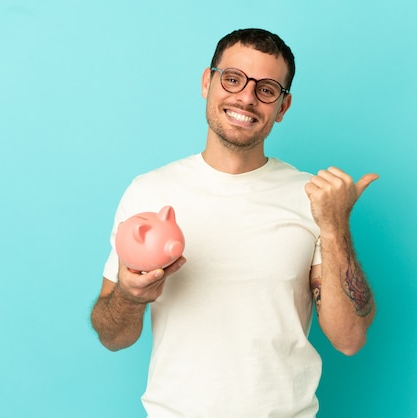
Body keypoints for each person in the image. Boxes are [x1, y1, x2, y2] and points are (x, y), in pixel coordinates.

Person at [91, 28, 377, 418]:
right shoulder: (148, 191)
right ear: (207, 82)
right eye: (232, 79)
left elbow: (349, 338)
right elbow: (113, 337)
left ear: (283, 106)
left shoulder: (311, 198)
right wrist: (130, 295)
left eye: (266, 89)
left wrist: (335, 226)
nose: (246, 97)